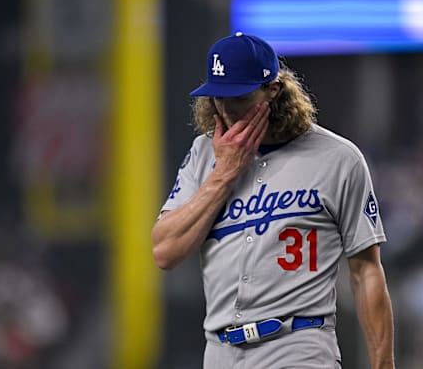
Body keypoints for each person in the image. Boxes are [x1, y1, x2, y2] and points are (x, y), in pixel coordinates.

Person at [152, 32, 395, 368]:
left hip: (298, 345)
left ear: (273, 90)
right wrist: (223, 175)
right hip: (220, 352)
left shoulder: (338, 159)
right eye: (217, 96)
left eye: (238, 96)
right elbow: (165, 251)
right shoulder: (202, 155)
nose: (225, 108)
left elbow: (366, 270)